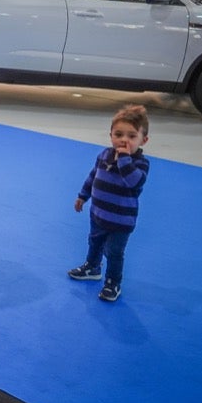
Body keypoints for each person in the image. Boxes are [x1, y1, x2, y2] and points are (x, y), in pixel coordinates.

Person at [68, 104, 150, 303]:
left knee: (114, 252)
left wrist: (123, 158)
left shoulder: (140, 164)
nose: (123, 140)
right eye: (118, 134)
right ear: (110, 134)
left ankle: (113, 282)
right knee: (94, 242)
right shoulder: (104, 155)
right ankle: (92, 267)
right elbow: (93, 176)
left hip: (121, 221)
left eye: (131, 136)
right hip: (98, 214)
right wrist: (83, 195)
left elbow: (133, 182)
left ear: (143, 140)